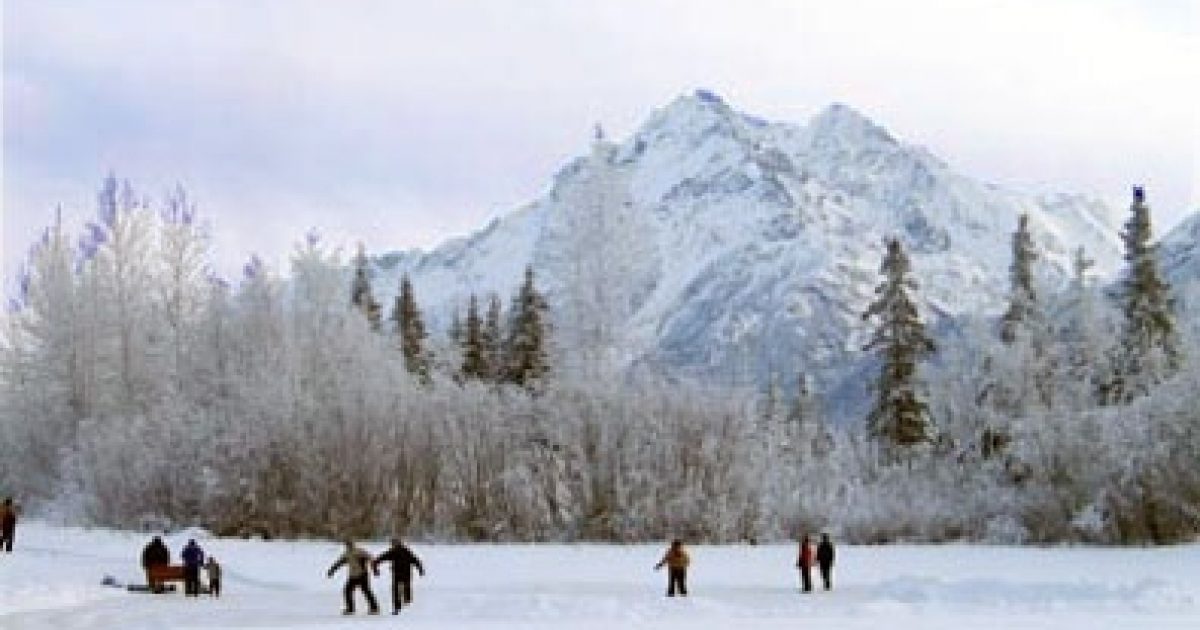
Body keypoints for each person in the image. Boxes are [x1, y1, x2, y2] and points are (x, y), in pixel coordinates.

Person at [372, 537, 425, 615]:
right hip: (405, 573)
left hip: (398, 573)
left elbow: (381, 558)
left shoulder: (394, 551)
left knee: (397, 590)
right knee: (405, 588)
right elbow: (415, 560)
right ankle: (406, 603)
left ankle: (398, 607)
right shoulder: (406, 551)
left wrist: (376, 564)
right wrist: (420, 569)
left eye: (392, 544)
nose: (391, 545)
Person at [327, 539, 379, 615]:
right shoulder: (346, 554)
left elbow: (371, 559)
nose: (347, 546)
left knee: (366, 591)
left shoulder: (360, 551)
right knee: (347, 591)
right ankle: (350, 609)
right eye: (346, 545)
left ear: (352, 544)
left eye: (349, 544)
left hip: (362, 574)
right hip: (353, 575)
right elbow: (339, 562)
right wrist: (332, 570)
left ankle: (374, 608)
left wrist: (375, 569)